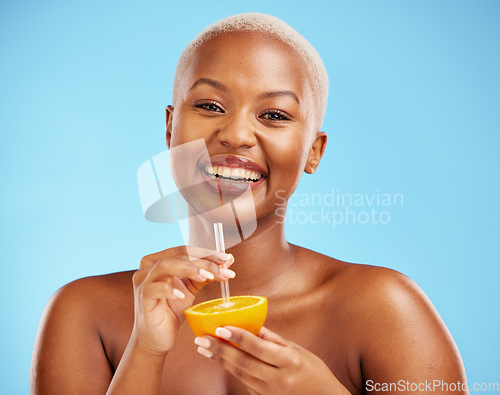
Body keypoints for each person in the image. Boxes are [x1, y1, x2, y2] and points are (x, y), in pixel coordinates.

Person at [31, 13, 467, 394]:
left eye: (274, 114)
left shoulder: (384, 310)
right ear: (170, 129)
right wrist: (144, 353)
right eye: (209, 105)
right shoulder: (83, 315)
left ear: (314, 152)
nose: (236, 135)